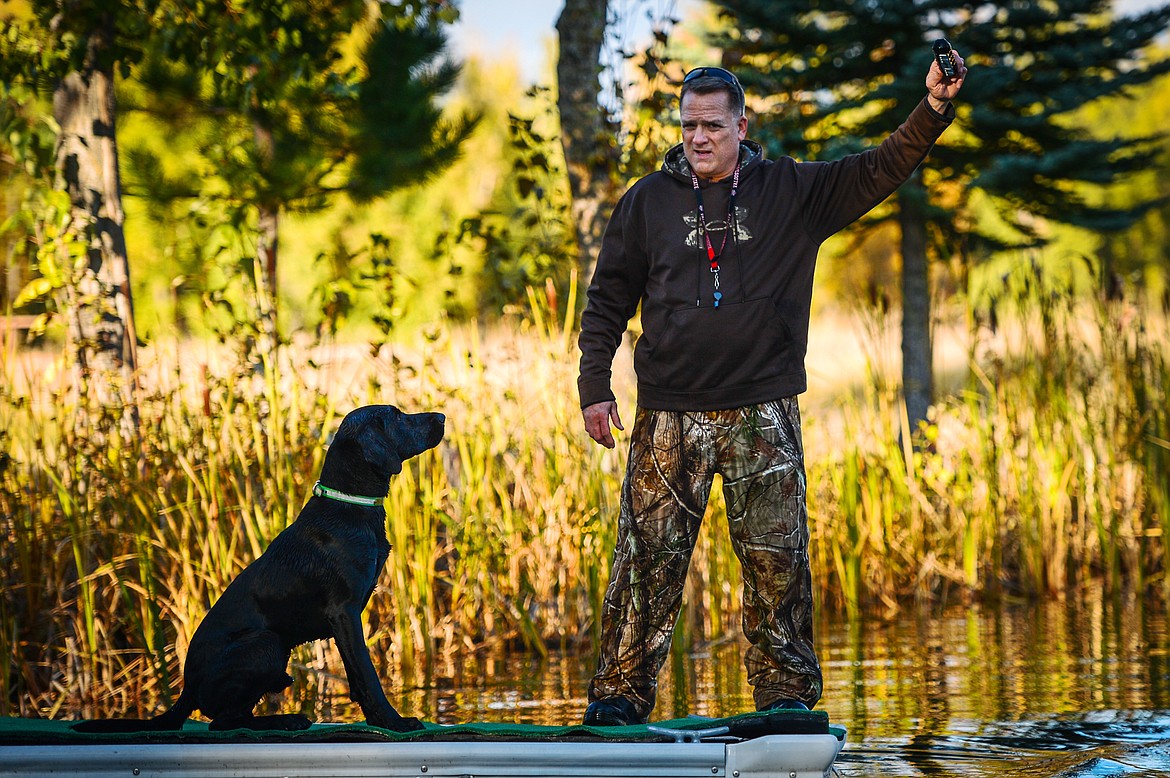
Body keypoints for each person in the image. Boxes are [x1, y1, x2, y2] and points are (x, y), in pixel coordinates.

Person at [576, 50, 968, 726]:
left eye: (713, 126)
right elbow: (607, 299)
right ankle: (618, 704)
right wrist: (594, 386)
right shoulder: (646, 202)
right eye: (688, 125)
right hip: (668, 414)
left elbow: (879, 167)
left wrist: (932, 109)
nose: (699, 138)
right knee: (645, 568)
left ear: (742, 126)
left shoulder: (793, 190)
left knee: (776, 564)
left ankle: (784, 705)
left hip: (764, 411)